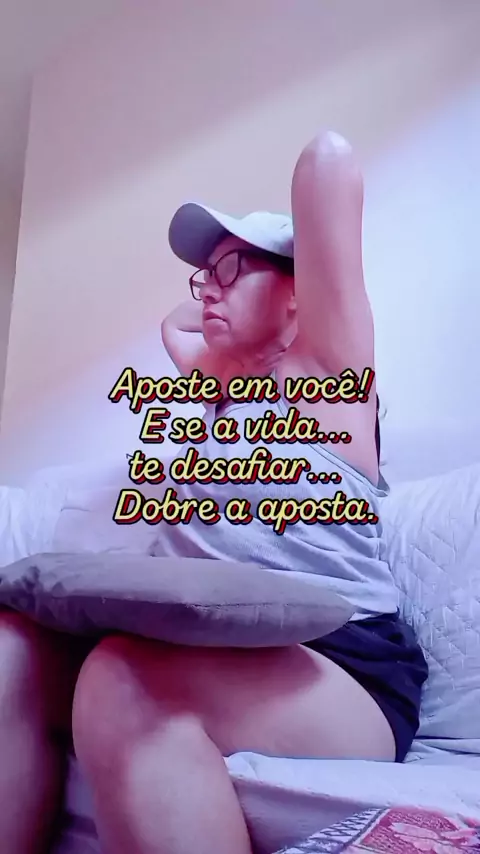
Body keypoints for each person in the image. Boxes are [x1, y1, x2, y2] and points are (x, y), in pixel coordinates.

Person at [0, 130, 428, 854]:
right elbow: (175, 325)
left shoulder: (326, 380)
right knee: (9, 649)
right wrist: (234, 320)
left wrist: (291, 294)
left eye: (232, 268)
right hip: (202, 639)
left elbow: (329, 162)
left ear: (300, 293)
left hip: (338, 663)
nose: (208, 289)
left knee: (122, 680)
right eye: (204, 278)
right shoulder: (221, 391)